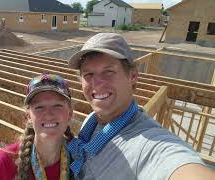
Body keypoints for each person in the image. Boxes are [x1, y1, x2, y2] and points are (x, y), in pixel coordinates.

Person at [66, 33, 214, 180]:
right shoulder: (91, 122)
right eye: (88, 74)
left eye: (108, 72)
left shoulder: (151, 144)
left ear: (133, 76)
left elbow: (177, 163)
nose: (97, 83)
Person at [0, 74, 74, 180]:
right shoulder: (6, 162)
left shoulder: (80, 157)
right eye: (39, 107)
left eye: (57, 105)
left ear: (70, 113)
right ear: (28, 116)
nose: (49, 115)